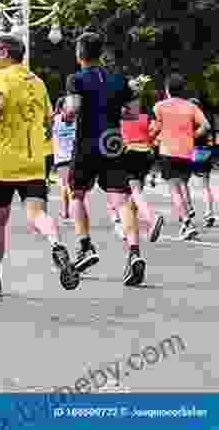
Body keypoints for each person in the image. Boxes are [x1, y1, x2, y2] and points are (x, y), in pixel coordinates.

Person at [0, 35, 74, 294]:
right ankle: (56, 245)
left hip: (2, 162)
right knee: (37, 214)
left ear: (5, 53)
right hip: (32, 161)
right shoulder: (38, 82)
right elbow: (49, 120)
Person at [63, 32, 146, 286]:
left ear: (79, 54)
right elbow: (132, 113)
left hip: (87, 142)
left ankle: (86, 245)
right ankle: (134, 253)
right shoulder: (118, 79)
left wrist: (66, 114)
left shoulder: (75, 79)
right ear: (100, 53)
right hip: (112, 141)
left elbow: (73, 109)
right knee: (122, 201)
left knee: (76, 194)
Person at [149, 75, 210, 240]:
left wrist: (151, 139)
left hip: (168, 152)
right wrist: (192, 135)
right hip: (187, 152)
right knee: (183, 185)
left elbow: (154, 129)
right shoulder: (191, 107)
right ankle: (187, 216)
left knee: (174, 189)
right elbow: (206, 126)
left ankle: (186, 223)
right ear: (182, 90)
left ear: (167, 90)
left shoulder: (159, 107)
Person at [120, 76, 164, 242]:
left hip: (129, 151)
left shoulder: (121, 108)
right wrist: (149, 138)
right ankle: (130, 229)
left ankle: (152, 219)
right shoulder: (146, 109)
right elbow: (157, 126)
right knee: (134, 193)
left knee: (134, 192)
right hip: (146, 153)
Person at [188, 98, 217, 228]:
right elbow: (213, 137)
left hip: (189, 152)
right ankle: (209, 213)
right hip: (205, 152)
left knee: (183, 183)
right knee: (205, 185)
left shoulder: (188, 119)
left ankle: (188, 210)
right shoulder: (207, 118)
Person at [52, 96, 76, 224]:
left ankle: (67, 211)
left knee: (65, 185)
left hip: (61, 158)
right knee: (72, 185)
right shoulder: (75, 120)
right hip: (74, 156)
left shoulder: (54, 120)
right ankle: (69, 210)